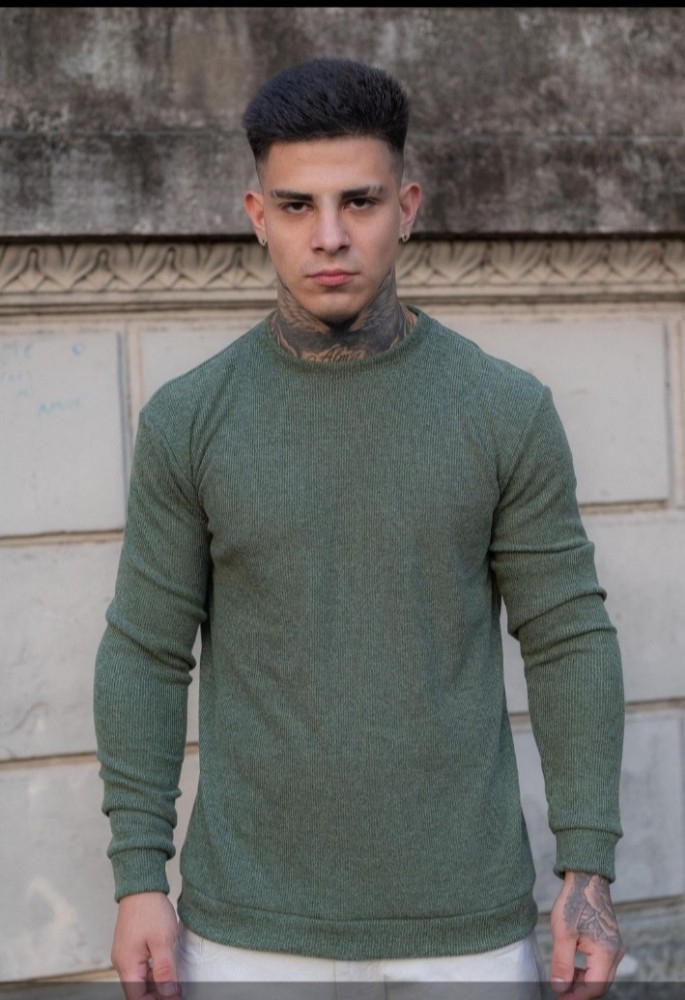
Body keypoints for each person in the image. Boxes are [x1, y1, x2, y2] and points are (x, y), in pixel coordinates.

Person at [94, 57, 625, 1000]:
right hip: (245, 932)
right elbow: (145, 650)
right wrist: (139, 876)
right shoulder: (190, 419)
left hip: (464, 932)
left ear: (407, 207)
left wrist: (587, 871)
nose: (329, 235)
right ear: (257, 215)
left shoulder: (503, 410)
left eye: (360, 202)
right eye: (297, 205)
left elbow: (567, 635)